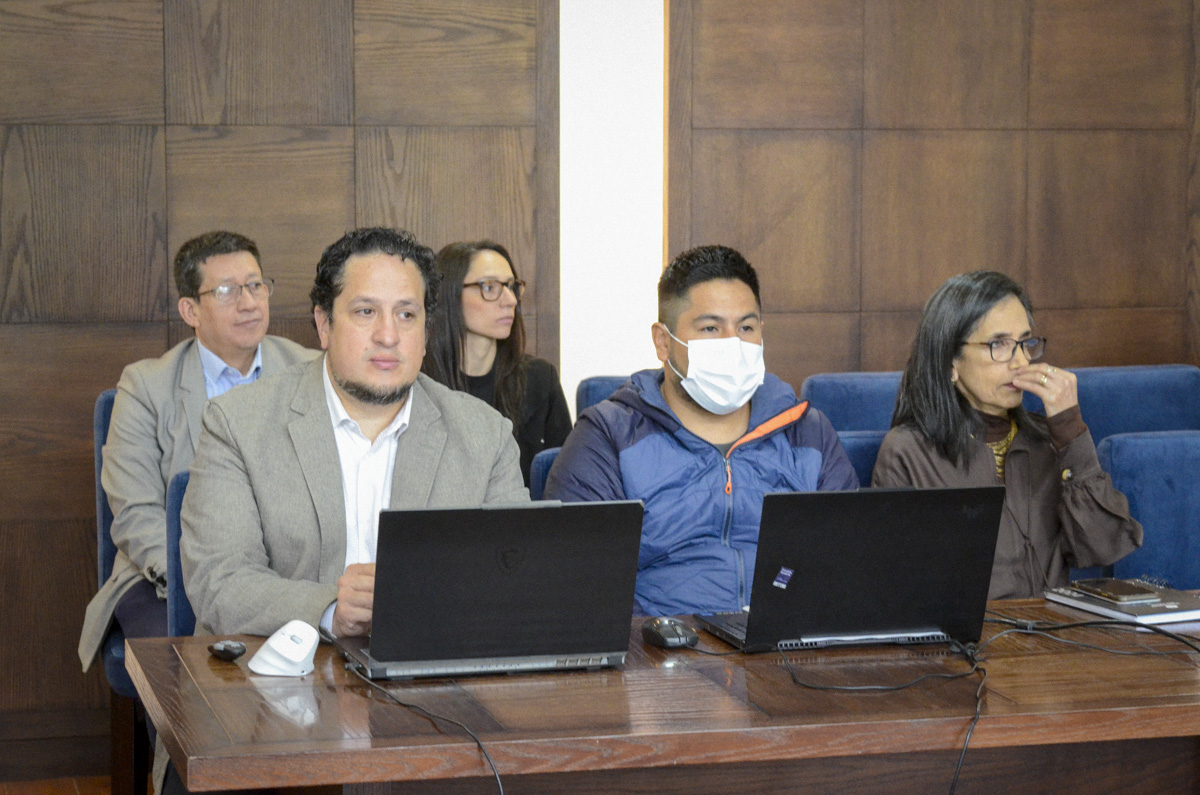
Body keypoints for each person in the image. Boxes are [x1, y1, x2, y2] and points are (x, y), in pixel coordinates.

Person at [179, 227, 528, 639]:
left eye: (406, 315)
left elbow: (515, 577)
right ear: (324, 324)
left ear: (425, 333)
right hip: (281, 665)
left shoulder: (484, 435)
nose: (388, 336)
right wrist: (329, 610)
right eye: (366, 312)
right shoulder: (238, 423)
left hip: (429, 661)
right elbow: (219, 580)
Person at [544, 245, 858, 616]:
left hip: (787, 636)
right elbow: (577, 589)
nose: (732, 344)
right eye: (711, 328)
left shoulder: (807, 432)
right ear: (663, 342)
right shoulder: (608, 437)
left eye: (746, 328)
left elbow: (850, 564)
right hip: (659, 642)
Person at [78, 231, 315, 671]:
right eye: (227, 291)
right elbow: (135, 512)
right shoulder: (146, 386)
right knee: (185, 667)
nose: (249, 303)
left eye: (256, 285)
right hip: (169, 577)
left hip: (288, 573)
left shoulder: (311, 371)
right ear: (190, 310)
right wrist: (207, 578)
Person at [872, 270, 1142, 598]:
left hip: (1056, 625)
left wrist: (1070, 432)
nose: (1020, 362)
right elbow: (895, 587)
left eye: (1025, 343)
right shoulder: (908, 450)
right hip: (968, 630)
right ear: (950, 362)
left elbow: (1104, 548)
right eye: (998, 344)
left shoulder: (1051, 441)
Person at [423, 241, 571, 485]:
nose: (510, 300)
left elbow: (566, 480)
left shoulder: (540, 379)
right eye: (489, 287)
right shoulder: (419, 383)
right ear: (450, 294)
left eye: (512, 287)